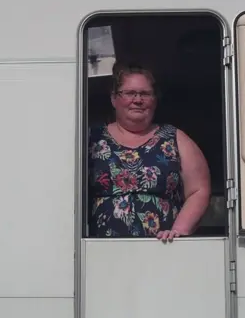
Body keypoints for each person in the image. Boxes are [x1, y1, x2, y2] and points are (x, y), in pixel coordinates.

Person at [88, 62, 211, 241]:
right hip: (100, 251)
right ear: (114, 99)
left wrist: (178, 231)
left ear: (154, 100)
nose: (137, 100)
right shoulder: (93, 139)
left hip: (163, 249)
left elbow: (199, 190)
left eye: (145, 94)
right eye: (129, 93)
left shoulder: (174, 137)